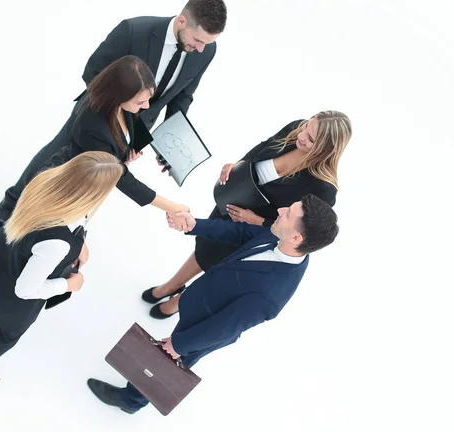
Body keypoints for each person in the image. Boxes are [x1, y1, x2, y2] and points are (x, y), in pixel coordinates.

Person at [0, 0, 227, 231]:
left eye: (207, 43)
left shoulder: (206, 50)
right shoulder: (133, 31)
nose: (200, 49)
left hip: (140, 127)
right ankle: (12, 204)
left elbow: (183, 95)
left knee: (97, 178)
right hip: (98, 114)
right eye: (197, 40)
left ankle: (51, 221)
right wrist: (113, 121)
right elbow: (92, 72)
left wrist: (167, 141)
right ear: (182, 21)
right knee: (55, 157)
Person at [87, 194, 340, 413]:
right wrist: (194, 225)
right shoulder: (278, 236)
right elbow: (239, 232)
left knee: (168, 362)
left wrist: (181, 345)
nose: (279, 211)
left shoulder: (271, 296)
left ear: (296, 237)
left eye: (288, 214)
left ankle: (131, 400)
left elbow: (225, 327)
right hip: (202, 299)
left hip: (206, 327)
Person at [0, 151, 124, 384]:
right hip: (16, 291)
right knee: (8, 334)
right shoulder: (58, 243)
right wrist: (68, 284)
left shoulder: (45, 182)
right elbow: (26, 290)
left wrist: (80, 242)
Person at [142, 111, 352, 318]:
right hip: (232, 202)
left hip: (254, 231)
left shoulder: (324, 189)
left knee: (218, 266)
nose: (301, 135)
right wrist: (239, 164)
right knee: (205, 245)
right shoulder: (297, 128)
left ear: (327, 150)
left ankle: (179, 302)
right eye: (307, 126)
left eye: (310, 138)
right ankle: (173, 284)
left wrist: (256, 220)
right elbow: (262, 148)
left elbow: (300, 228)